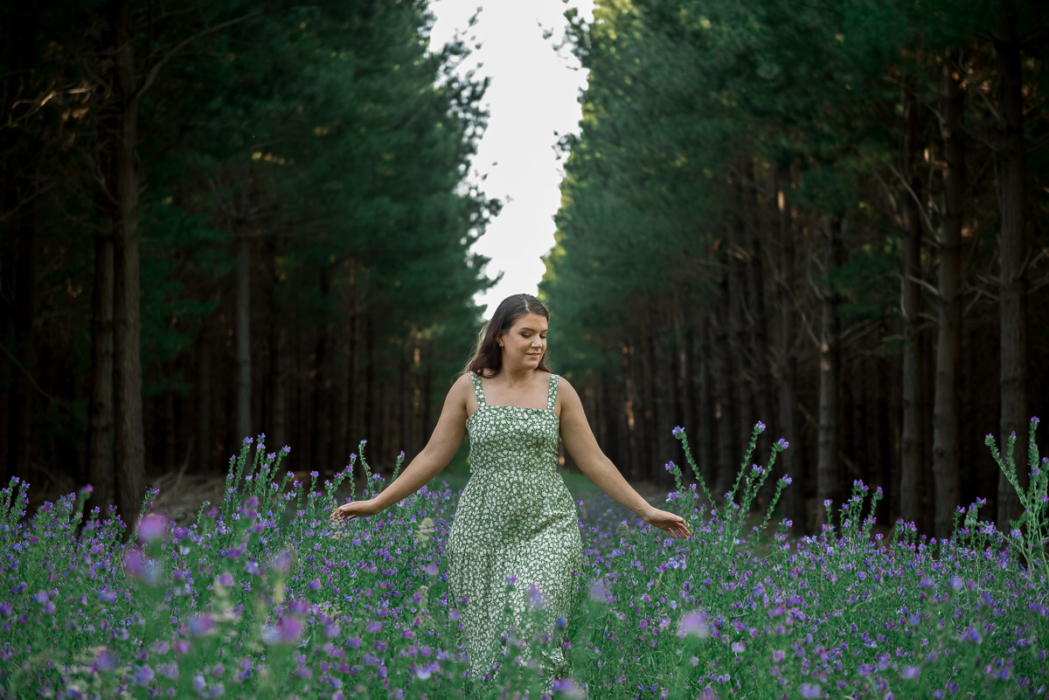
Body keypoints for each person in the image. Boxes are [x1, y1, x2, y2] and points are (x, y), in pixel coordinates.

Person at [330, 293, 690, 690]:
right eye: (527, 334)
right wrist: (378, 502)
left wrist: (645, 510)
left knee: (529, 631)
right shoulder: (468, 388)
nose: (538, 343)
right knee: (488, 654)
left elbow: (596, 461)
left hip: (547, 527)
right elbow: (432, 456)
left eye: (544, 335)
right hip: (480, 533)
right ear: (500, 336)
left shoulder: (558, 390)